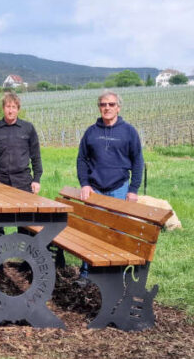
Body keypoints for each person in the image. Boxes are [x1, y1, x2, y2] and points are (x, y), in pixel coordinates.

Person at [76, 89, 144, 282]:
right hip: (95, 188)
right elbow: (82, 159)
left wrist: (133, 189)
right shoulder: (91, 132)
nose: (107, 108)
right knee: (92, 230)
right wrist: (85, 184)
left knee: (118, 232)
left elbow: (137, 161)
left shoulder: (129, 131)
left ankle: (115, 275)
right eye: (103, 104)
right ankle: (86, 273)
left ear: (118, 107)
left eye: (111, 104)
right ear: (99, 107)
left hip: (120, 187)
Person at [0, 92, 42, 236]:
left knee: (26, 223)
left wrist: (36, 179)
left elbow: (36, 156)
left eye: (14, 107)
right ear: (3, 108)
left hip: (23, 182)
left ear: (18, 109)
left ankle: (27, 257)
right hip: (0, 182)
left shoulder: (28, 128)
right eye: (8, 107)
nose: (10, 110)